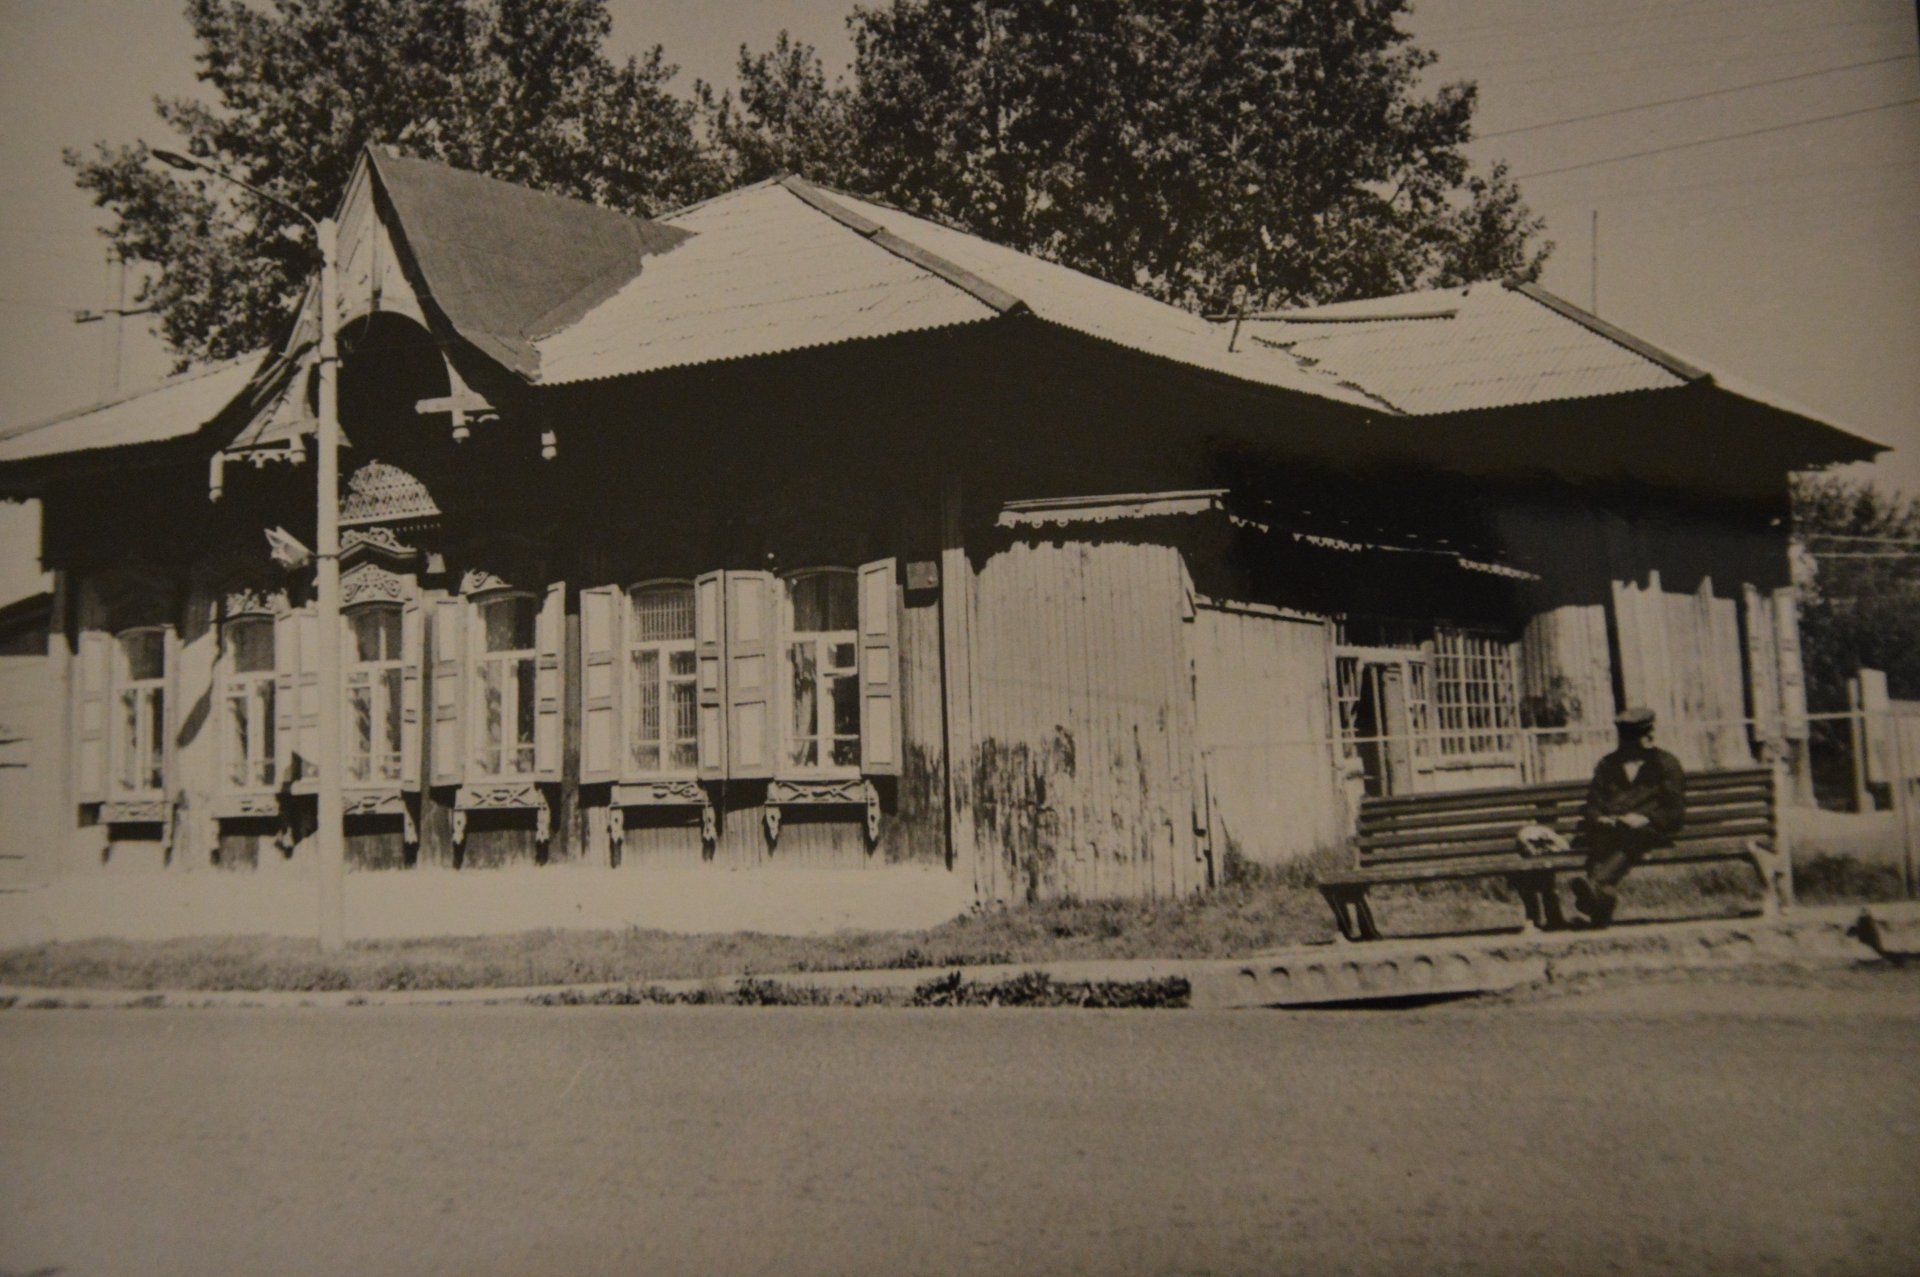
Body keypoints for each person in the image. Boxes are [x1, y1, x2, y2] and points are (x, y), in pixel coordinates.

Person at [1569, 706, 1686, 928]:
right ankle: (1601, 896)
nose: (1647, 739)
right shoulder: (1607, 765)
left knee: (1629, 835)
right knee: (1605, 837)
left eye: (1646, 733)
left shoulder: (1666, 764)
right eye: (1633, 737)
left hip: (1649, 831)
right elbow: (1592, 805)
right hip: (1610, 832)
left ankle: (1596, 886)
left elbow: (1675, 811)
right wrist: (1600, 818)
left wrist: (1647, 818)